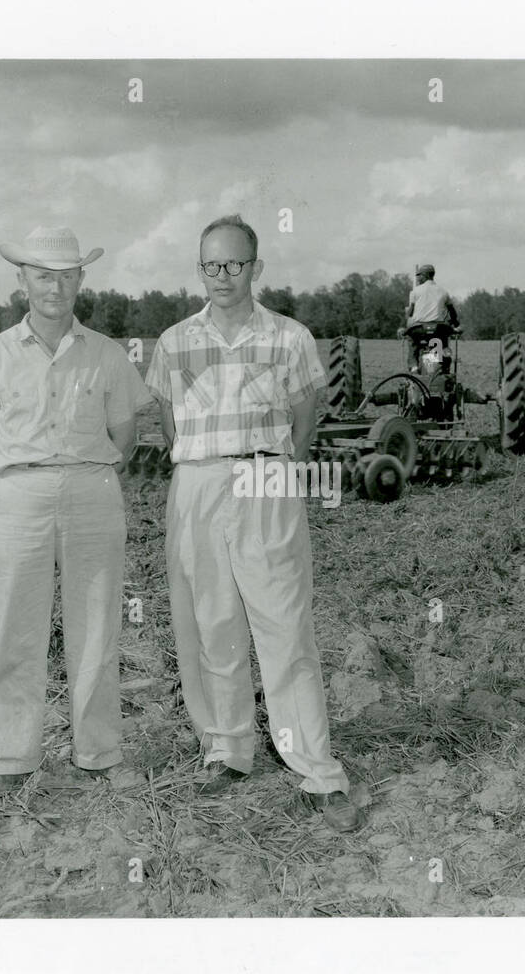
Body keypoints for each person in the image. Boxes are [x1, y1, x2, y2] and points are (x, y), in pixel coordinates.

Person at [144, 214, 362, 833]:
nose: (222, 275)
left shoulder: (291, 338)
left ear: (256, 269)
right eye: (211, 265)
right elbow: (169, 424)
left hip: (266, 479)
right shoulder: (174, 342)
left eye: (233, 264)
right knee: (211, 624)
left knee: (285, 628)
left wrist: (276, 470)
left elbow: (304, 414)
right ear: (199, 269)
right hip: (199, 484)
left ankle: (318, 769)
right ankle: (229, 749)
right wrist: (207, 467)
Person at [0, 224, 153, 802]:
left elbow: (127, 434)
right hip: (18, 499)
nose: (55, 287)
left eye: (66, 275)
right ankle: (8, 759)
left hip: (92, 492)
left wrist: (78, 472)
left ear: (81, 279)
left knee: (97, 627)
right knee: (14, 628)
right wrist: (19, 484)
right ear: (22, 281)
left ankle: (100, 754)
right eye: (43, 275)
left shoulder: (108, 354)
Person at [404, 263, 459, 374]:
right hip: (438, 329)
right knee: (443, 343)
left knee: (412, 341)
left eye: (419, 275)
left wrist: (407, 314)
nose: (418, 278)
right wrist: (455, 323)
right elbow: (452, 311)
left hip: (419, 328)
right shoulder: (443, 291)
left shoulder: (415, 291)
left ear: (425, 276)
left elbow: (410, 313)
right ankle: (444, 367)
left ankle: (413, 366)